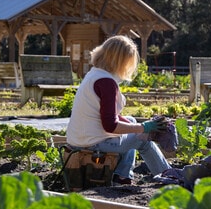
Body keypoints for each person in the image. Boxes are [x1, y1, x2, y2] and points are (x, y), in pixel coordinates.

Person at [66, 35, 171, 185]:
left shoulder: (94, 74)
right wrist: (143, 128)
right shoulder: (107, 83)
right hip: (91, 143)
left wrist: (137, 126)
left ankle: (122, 176)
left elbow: (111, 116)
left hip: (79, 138)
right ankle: (168, 177)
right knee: (143, 140)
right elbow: (110, 126)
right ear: (120, 61)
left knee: (131, 121)